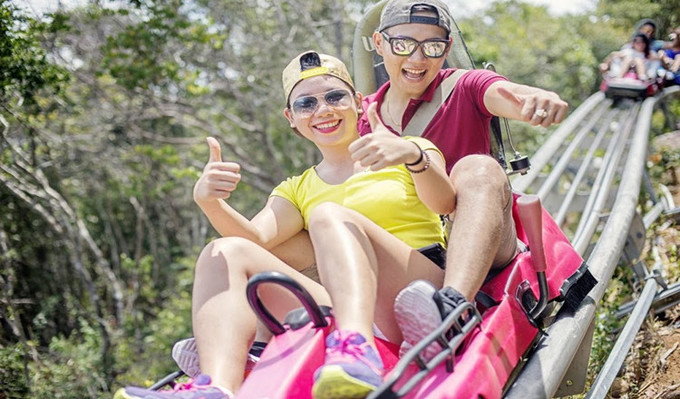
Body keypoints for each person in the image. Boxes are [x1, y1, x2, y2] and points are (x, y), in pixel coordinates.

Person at [114, 50, 455, 399]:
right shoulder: (297, 188)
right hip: (345, 300)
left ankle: (355, 347)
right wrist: (209, 202)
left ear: (356, 101)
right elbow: (254, 239)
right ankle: (216, 386)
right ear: (291, 118)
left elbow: (445, 203)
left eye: (334, 97)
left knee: (327, 215)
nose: (322, 110)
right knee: (224, 251)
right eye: (306, 104)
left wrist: (413, 158)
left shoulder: (407, 149)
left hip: (416, 294)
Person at [356, 0, 569, 360]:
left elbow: (507, 94)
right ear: (380, 44)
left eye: (433, 46)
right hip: (414, 252)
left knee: (477, 168)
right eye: (404, 44)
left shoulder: (463, 87)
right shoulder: (363, 118)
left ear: (447, 49)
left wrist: (536, 100)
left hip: (480, 237)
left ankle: (451, 310)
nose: (418, 58)